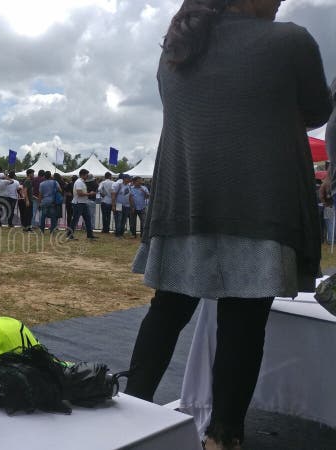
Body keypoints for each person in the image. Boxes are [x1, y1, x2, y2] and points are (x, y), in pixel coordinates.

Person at [124, 2, 332, 449]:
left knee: (166, 312)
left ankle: (127, 417)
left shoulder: (177, 48)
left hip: (186, 201)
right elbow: (316, 111)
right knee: (242, 324)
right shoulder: (289, 40)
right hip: (258, 204)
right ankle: (222, 438)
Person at [67, 169, 96, 240]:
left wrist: (87, 194)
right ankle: (69, 235)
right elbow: (79, 193)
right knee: (75, 220)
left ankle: (90, 234)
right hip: (78, 203)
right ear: (83, 174)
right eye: (86, 175)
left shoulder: (82, 182)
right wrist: (89, 193)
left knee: (88, 219)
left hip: (82, 203)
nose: (87, 176)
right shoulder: (79, 182)